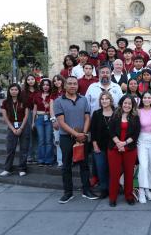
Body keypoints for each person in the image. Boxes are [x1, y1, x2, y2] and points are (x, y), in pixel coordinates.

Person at [53, 76, 98, 204]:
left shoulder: (83, 100)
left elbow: (87, 117)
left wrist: (83, 133)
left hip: (82, 136)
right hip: (66, 137)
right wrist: (75, 134)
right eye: (70, 84)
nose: (73, 86)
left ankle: (86, 190)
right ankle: (68, 192)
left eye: (75, 84)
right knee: (66, 165)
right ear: (65, 86)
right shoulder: (58, 101)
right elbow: (61, 122)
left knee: (84, 165)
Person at [0, 84, 29, 177]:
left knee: (24, 149)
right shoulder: (5, 102)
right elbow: (5, 117)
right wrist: (13, 128)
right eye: (12, 89)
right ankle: (7, 169)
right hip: (11, 125)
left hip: (23, 125)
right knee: (10, 148)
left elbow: (26, 115)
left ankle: (22, 168)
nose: (14, 91)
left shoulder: (24, 101)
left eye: (16, 89)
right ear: (9, 91)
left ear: (19, 91)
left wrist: (21, 128)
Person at [90, 91, 114, 199]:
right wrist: (95, 144)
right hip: (99, 146)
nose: (104, 101)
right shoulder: (96, 114)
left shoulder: (117, 113)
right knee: (101, 168)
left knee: (112, 168)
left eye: (106, 99)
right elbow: (93, 131)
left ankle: (112, 188)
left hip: (113, 147)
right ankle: (104, 189)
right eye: (102, 99)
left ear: (111, 100)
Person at [137, 91, 151, 204]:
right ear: (142, 99)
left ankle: (148, 189)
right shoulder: (138, 111)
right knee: (143, 165)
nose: (146, 99)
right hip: (142, 140)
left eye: (149, 97)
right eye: (144, 97)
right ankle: (141, 190)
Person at [32, 79, 54, 166]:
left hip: (49, 118)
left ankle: (49, 160)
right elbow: (34, 109)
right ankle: (41, 160)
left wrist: (48, 106)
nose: (46, 86)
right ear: (41, 86)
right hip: (39, 118)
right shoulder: (37, 95)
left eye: (47, 85)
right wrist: (33, 122)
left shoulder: (52, 95)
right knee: (41, 140)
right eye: (44, 85)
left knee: (48, 140)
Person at [22, 74, 39, 164]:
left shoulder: (38, 90)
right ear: (26, 81)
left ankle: (37, 155)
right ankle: (29, 156)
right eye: (28, 79)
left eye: (32, 79)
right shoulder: (24, 92)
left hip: (38, 113)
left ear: (35, 80)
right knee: (29, 134)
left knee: (37, 134)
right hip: (28, 113)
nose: (30, 81)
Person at [50, 75, 65, 167]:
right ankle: (60, 160)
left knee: (68, 141)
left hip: (67, 119)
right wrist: (53, 120)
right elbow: (51, 108)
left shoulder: (66, 91)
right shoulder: (53, 93)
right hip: (56, 119)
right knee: (58, 141)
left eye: (58, 80)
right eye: (54, 81)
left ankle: (68, 159)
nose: (56, 82)